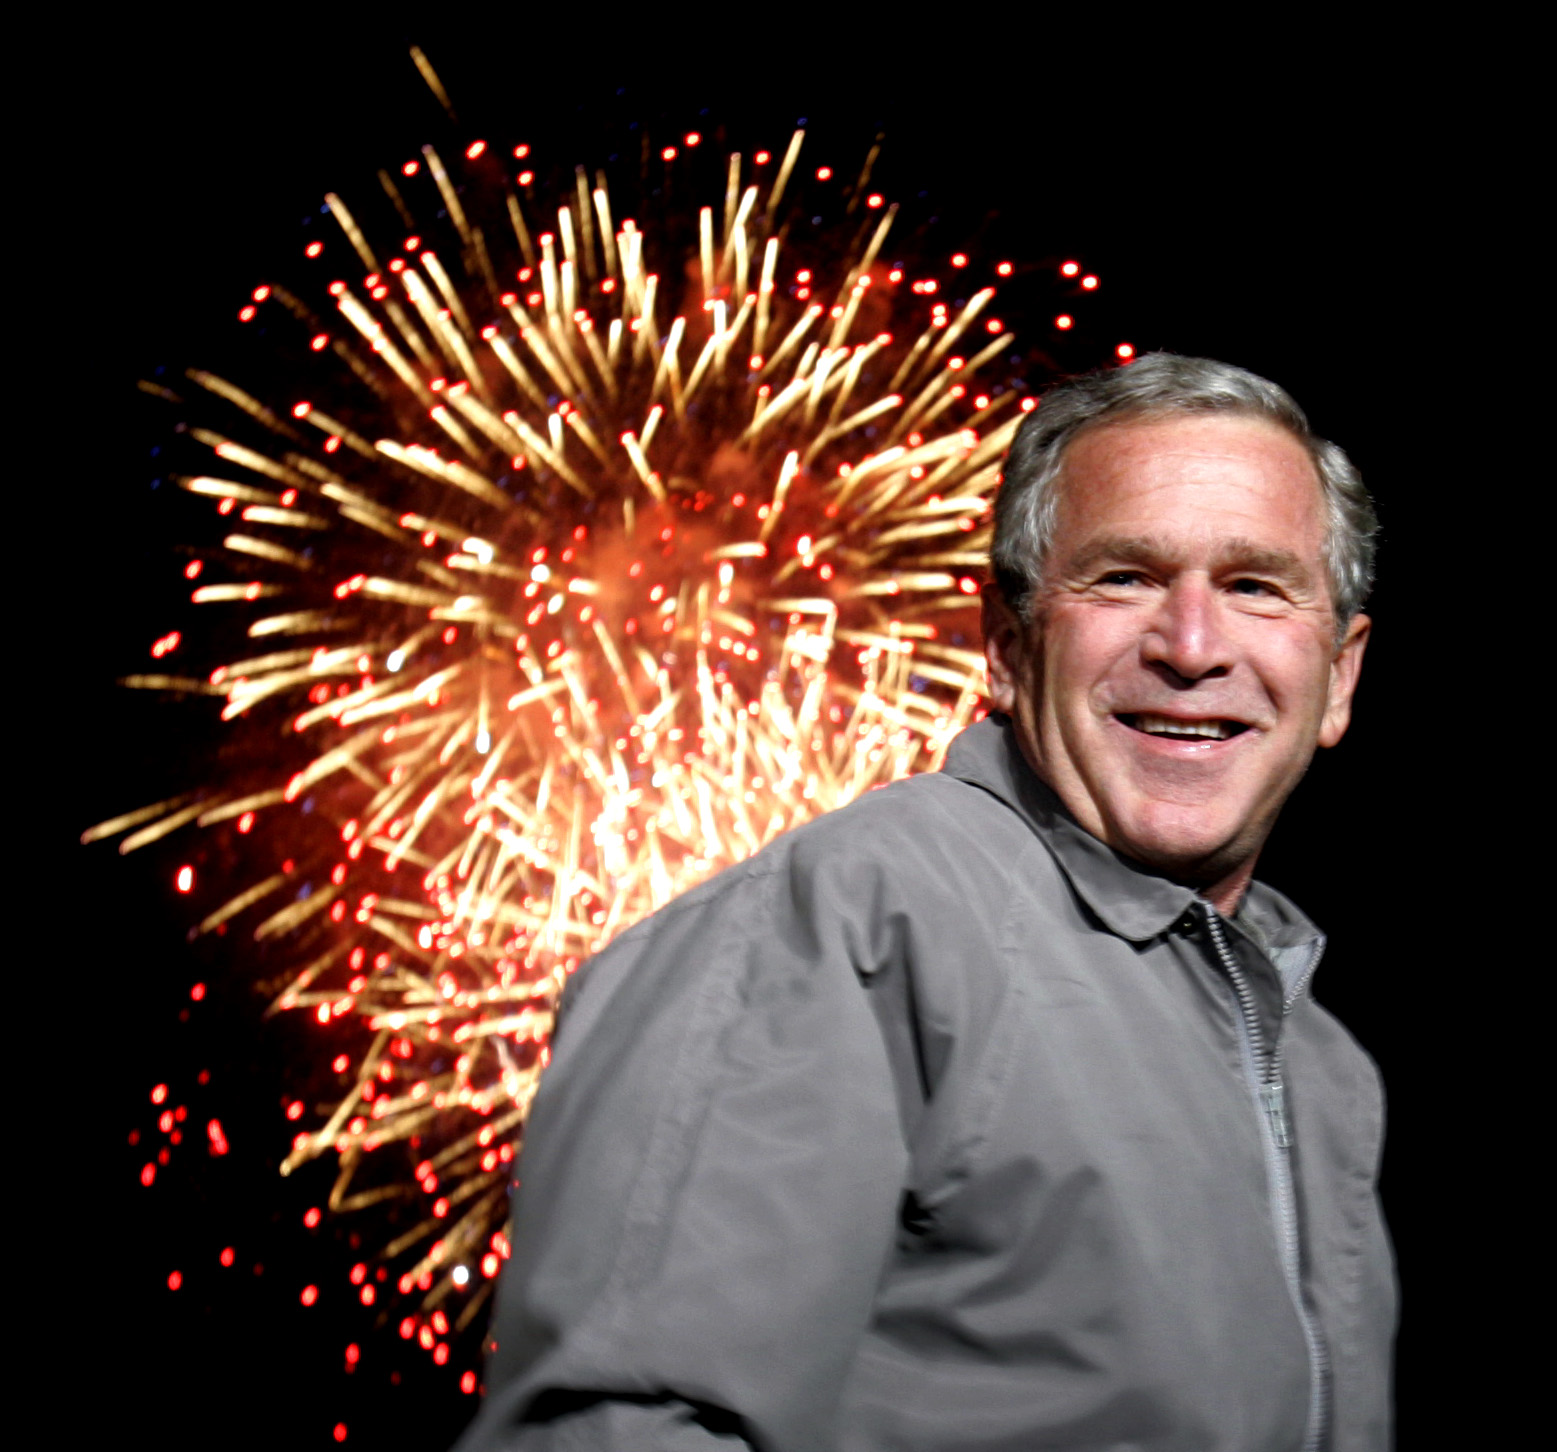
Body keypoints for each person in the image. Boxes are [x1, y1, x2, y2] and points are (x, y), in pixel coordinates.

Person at [455, 354, 1396, 1451]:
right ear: (1003, 647)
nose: (1191, 647)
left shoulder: (1324, 1069)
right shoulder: (846, 926)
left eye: (1255, 586)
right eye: (1126, 577)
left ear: (1338, 676)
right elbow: (614, 1433)